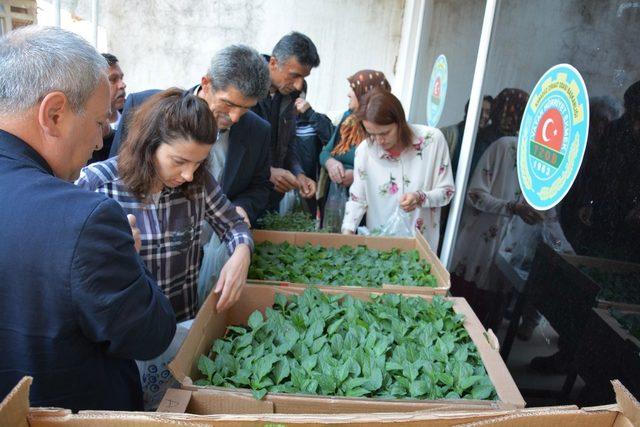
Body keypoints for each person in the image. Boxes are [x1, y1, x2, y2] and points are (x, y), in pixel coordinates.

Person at [0, 26, 175, 411]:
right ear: (55, 113)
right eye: (99, 123)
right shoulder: (84, 218)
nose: (100, 143)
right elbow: (151, 335)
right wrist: (130, 257)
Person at [77, 89, 253, 320]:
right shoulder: (97, 184)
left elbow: (233, 225)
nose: (189, 175)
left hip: (180, 319)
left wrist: (242, 252)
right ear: (149, 146)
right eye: (179, 161)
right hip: (123, 327)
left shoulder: (201, 183)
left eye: (199, 163)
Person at [109, 45, 271, 227]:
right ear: (206, 84)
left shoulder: (259, 131)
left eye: (246, 108)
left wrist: (242, 207)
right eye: (228, 104)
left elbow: (260, 186)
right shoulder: (143, 107)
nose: (235, 117)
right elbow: (118, 172)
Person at [450, 89, 540, 328]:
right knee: (467, 311)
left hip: (507, 244)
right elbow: (475, 194)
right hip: (482, 240)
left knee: (490, 313)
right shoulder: (503, 146)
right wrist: (512, 207)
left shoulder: (537, 158)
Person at [342, 89, 455, 250]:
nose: (379, 140)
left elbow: (447, 192)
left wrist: (419, 197)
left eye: (385, 133)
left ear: (400, 122)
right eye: (372, 134)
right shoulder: (365, 151)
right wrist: (347, 235)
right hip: (380, 249)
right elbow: (357, 199)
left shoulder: (432, 141)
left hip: (420, 249)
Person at [252, 31, 320, 211]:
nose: (299, 85)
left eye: (303, 78)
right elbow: (236, 147)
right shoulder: (247, 87)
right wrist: (267, 172)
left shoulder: (291, 93)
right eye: (294, 75)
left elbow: (289, 142)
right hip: (241, 196)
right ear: (273, 63)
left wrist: (299, 174)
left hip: (272, 197)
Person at [319, 70, 391, 190]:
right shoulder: (348, 120)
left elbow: (388, 170)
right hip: (336, 199)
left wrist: (357, 176)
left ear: (366, 93)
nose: (348, 94)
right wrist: (330, 163)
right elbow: (325, 152)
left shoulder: (384, 127)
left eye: (353, 89)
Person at [293, 80, 334, 213]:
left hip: (309, 186)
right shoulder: (276, 119)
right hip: (282, 183)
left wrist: (309, 113)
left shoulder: (314, 119)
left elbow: (333, 141)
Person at [439, 95, 493, 175]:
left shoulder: (486, 142)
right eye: (480, 110)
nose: (484, 115)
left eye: (487, 112)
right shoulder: (449, 134)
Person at [89, 52, 126, 163]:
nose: (122, 85)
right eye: (113, 79)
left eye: (121, 78)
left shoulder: (135, 117)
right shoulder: (87, 133)